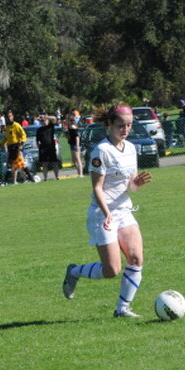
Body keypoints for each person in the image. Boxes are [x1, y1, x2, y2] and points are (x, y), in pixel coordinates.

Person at [62, 102, 153, 318]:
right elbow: (97, 188)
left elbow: (131, 186)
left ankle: (122, 309)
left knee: (136, 259)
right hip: (102, 213)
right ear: (110, 124)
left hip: (124, 210)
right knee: (111, 270)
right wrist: (107, 214)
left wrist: (137, 183)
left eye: (129, 125)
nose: (125, 130)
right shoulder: (101, 151)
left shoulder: (130, 148)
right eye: (121, 125)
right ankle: (74, 271)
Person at [0, 110, 35, 184]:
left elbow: (23, 134)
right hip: (11, 148)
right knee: (19, 165)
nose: (9, 118)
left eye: (10, 116)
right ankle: (31, 179)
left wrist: (21, 144)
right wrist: (0, 144)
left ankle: (4, 182)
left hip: (16, 147)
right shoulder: (7, 127)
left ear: (13, 117)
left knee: (12, 165)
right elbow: (5, 138)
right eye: (8, 117)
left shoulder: (16, 125)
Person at [36, 115, 61, 181]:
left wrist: (46, 117)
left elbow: (54, 119)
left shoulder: (50, 126)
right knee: (44, 164)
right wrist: (39, 148)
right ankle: (45, 178)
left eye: (44, 120)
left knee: (54, 163)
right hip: (43, 148)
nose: (43, 122)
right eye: (42, 121)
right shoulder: (39, 130)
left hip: (51, 147)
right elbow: (37, 141)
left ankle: (57, 177)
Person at [67, 112, 83, 177]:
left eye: (72, 120)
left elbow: (77, 137)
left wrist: (77, 146)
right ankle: (79, 173)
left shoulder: (73, 127)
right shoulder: (69, 127)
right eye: (70, 120)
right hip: (72, 144)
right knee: (74, 161)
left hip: (75, 145)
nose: (70, 121)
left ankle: (81, 174)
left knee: (78, 159)